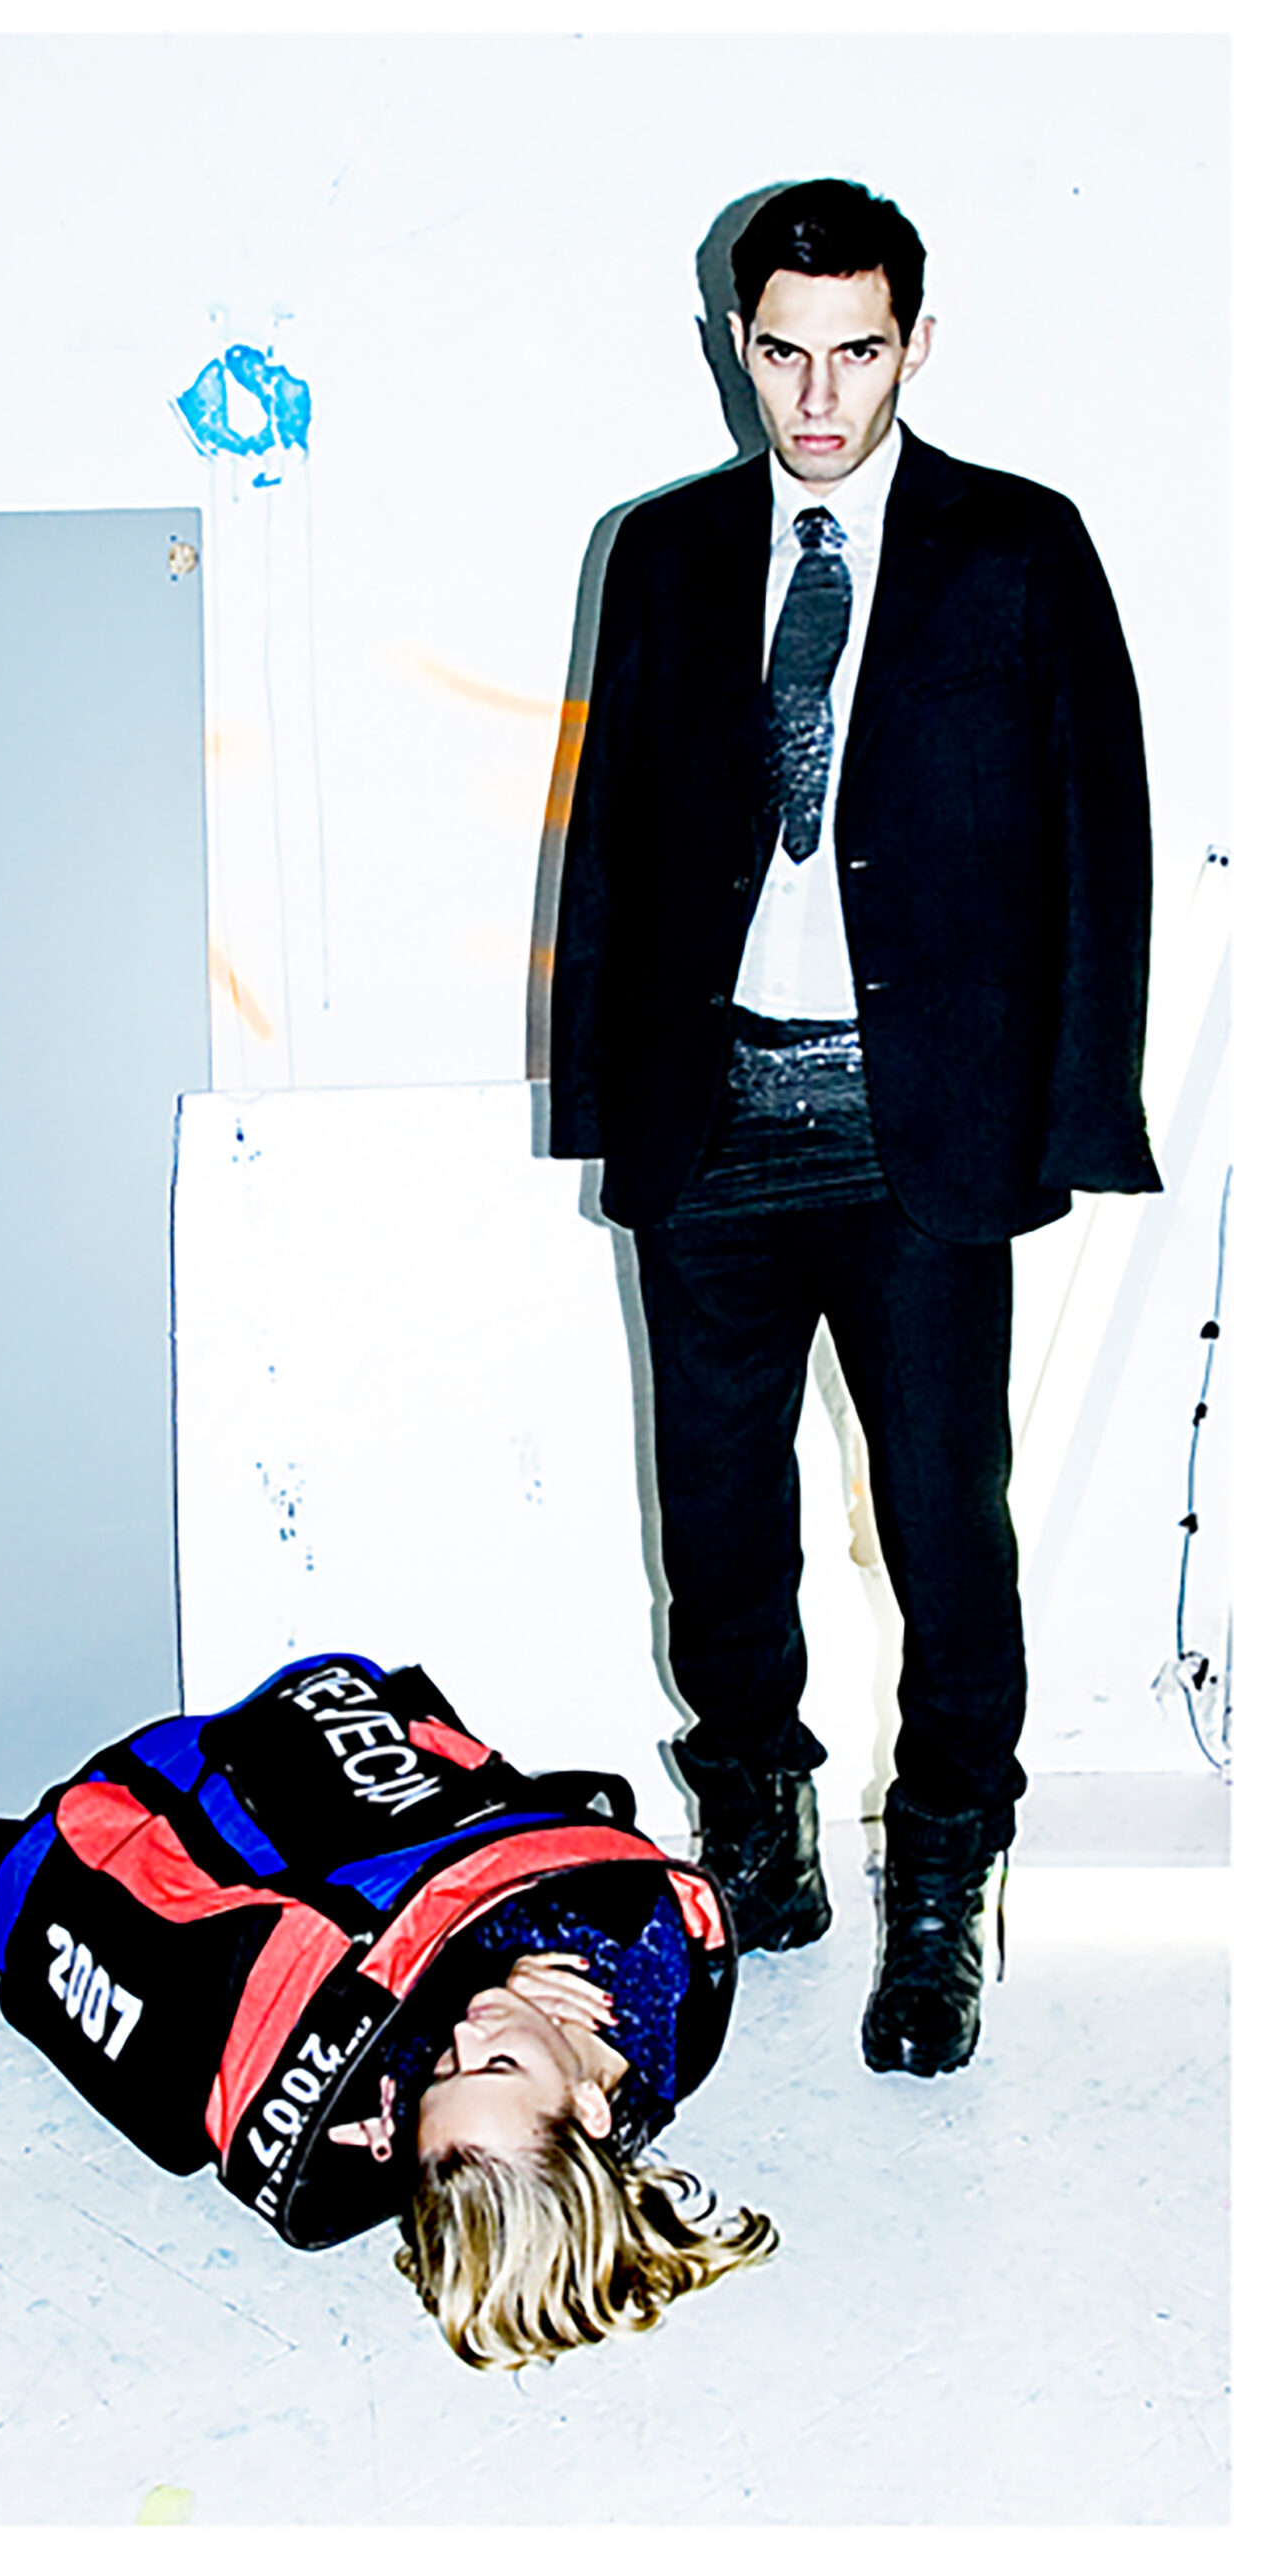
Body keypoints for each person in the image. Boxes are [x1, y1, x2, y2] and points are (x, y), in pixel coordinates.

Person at [548, 178, 1158, 2079]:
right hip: (713, 1116)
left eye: (858, 353)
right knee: (718, 1525)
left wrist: (1072, 1114)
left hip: (922, 1135)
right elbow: (614, 842)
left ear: (915, 344)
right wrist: (607, 1105)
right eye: (784, 353)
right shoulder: (661, 552)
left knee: (944, 1530)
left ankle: (945, 1883)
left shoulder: (1016, 547)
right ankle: (759, 1829)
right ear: (736, 344)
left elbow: (1101, 834)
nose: (818, 398)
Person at [0, 1651, 775, 2369]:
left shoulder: (501, 2108)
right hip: (400, 1830)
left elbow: (434, 2052)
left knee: (187, 2069)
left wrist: (402, 2098)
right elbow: (515, 1912)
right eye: (497, 2063)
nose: (468, 2032)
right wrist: (486, 1974)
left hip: (360, 1894)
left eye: (448, 2072)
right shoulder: (643, 1966)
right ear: (593, 2106)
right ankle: (18, 1878)